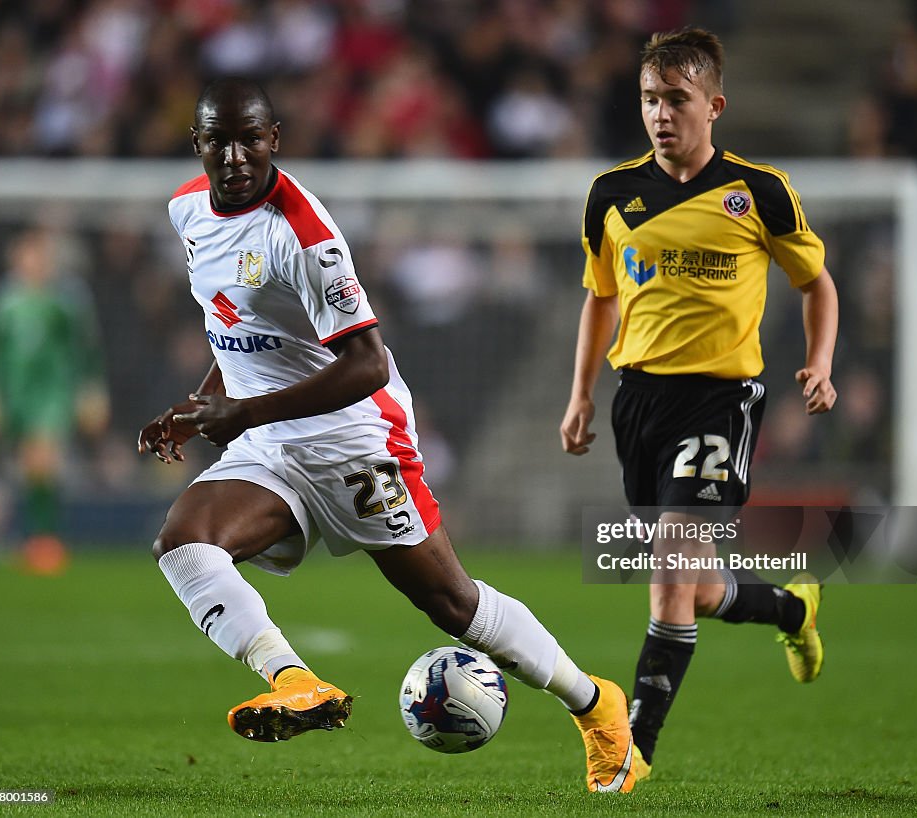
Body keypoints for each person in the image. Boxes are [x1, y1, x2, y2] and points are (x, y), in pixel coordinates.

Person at [137, 77, 639, 793]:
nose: (237, 155)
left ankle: (595, 706)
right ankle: (294, 681)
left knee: (451, 605)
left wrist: (240, 414)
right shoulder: (187, 208)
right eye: (220, 140)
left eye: (252, 138)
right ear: (198, 145)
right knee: (184, 542)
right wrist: (200, 404)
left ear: (274, 139)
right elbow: (236, 327)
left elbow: (366, 364)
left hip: (352, 440)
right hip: (271, 443)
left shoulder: (303, 234)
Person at [559, 28, 839, 776]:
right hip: (637, 401)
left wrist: (819, 361)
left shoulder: (760, 192)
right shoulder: (611, 196)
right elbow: (600, 297)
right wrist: (581, 393)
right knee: (698, 583)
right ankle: (791, 608)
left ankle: (632, 751)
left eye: (676, 100)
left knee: (667, 568)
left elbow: (816, 284)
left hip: (721, 400)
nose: (660, 114)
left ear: (713, 105)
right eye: (650, 99)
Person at [0, 227, 109, 556]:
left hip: (53, 391)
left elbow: (86, 349)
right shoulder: (3, 301)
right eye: (27, 255)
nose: (34, 262)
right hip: (13, 393)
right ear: (15, 258)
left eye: (40, 256)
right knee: (28, 466)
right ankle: (30, 535)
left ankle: (45, 538)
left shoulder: (66, 300)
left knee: (42, 458)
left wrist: (92, 390)